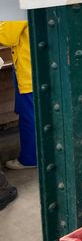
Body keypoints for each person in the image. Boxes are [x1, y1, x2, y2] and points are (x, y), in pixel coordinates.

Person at [0, 22, 36, 170]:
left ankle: (30, 159)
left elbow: (6, 37)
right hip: (36, 69)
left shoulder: (16, 6)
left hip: (29, 72)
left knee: (29, 116)